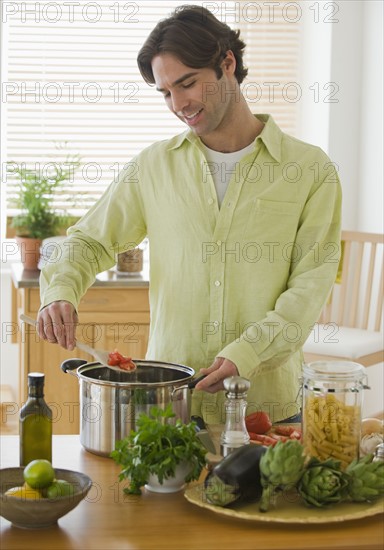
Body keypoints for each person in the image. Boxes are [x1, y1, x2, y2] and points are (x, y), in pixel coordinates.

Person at [37, 5, 342, 424]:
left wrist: (246, 354)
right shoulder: (153, 167)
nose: (178, 104)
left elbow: (309, 289)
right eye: (165, 93)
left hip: (265, 411)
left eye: (187, 84)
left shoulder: (310, 171)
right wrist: (59, 292)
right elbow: (90, 240)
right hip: (169, 405)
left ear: (227, 63)